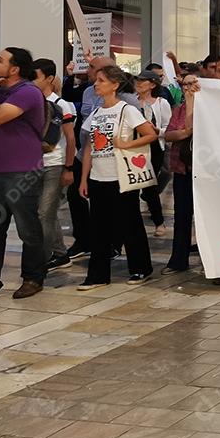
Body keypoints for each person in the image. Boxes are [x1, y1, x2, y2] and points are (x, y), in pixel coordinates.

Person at [78, 65, 158, 289]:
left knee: (129, 223)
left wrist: (126, 144)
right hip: (98, 176)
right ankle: (98, 275)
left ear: (114, 85)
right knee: (98, 227)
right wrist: (84, 178)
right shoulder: (95, 113)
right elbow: (89, 148)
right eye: (96, 80)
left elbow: (150, 134)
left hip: (121, 176)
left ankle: (141, 268)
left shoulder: (127, 110)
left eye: (101, 80)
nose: (96, 84)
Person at [0, 48, 50, 299]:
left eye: (0, 60)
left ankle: (33, 278)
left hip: (23, 170)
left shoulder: (28, 92)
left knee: (27, 227)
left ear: (15, 69)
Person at [32, 59, 77, 271]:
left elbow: (70, 138)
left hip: (54, 163)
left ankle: (42, 259)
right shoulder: (31, 100)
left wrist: (68, 167)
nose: (31, 81)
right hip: (33, 165)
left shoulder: (61, 104)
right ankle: (59, 253)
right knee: (44, 212)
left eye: (35, 77)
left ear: (49, 78)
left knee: (44, 213)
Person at [163, 74, 197, 275]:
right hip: (182, 168)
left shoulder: (211, 108)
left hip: (206, 172)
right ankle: (178, 260)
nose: (187, 88)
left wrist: (184, 131)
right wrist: (185, 132)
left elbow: (191, 128)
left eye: (192, 83)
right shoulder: (178, 109)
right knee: (182, 215)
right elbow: (169, 134)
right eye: (185, 84)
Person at [135, 70, 172, 237]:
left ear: (152, 84)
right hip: (135, 146)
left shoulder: (161, 103)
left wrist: (158, 131)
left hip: (155, 146)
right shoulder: (132, 102)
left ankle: (159, 221)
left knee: (149, 183)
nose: (139, 83)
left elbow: (168, 127)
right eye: (138, 80)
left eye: (143, 81)